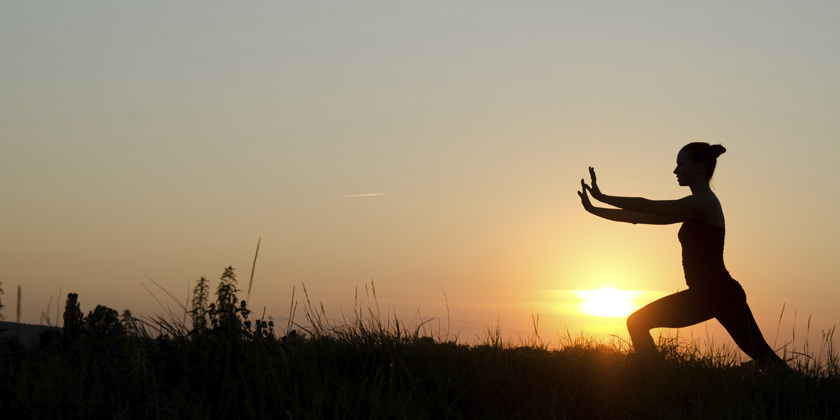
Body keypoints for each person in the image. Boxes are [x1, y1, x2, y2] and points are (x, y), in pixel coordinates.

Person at [577, 142, 785, 366]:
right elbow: (639, 216)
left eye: (680, 164)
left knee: (765, 359)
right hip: (703, 295)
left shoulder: (704, 203)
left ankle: (656, 378)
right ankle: (657, 379)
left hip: (721, 294)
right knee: (637, 323)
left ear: (698, 168)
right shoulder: (692, 208)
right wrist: (595, 209)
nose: (675, 171)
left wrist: (604, 197)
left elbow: (650, 206)